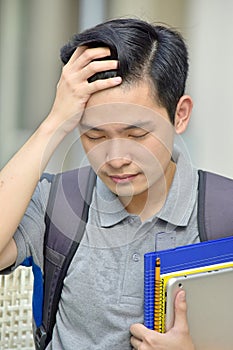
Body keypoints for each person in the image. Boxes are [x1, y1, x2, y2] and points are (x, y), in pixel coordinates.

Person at [0, 18, 197, 349]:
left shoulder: (222, 214)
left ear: (180, 115)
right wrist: (54, 123)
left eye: (137, 134)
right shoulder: (58, 204)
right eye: (94, 135)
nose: (116, 157)